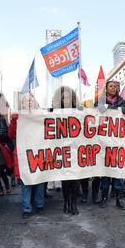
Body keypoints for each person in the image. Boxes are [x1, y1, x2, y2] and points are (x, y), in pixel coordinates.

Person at [94, 81, 125, 209]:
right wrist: (116, 110)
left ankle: (119, 198)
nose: (114, 88)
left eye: (115, 86)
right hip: (103, 142)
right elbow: (96, 112)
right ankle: (104, 197)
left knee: (118, 171)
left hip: (117, 142)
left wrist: (112, 110)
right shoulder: (99, 101)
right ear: (106, 89)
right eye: (111, 86)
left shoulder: (121, 101)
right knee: (105, 171)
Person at [9, 93, 45, 219]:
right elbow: (11, 135)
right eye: (26, 101)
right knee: (26, 182)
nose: (29, 103)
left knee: (39, 180)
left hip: (38, 151)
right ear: (22, 104)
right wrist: (14, 121)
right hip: (24, 153)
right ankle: (26, 208)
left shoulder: (41, 115)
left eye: (31, 100)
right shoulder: (18, 117)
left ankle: (39, 205)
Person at [52, 86, 81, 215]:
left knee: (75, 179)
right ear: (61, 100)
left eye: (69, 98)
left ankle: (74, 204)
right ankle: (66, 202)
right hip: (62, 149)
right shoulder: (54, 111)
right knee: (65, 179)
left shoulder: (79, 111)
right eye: (64, 98)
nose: (67, 100)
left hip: (76, 149)